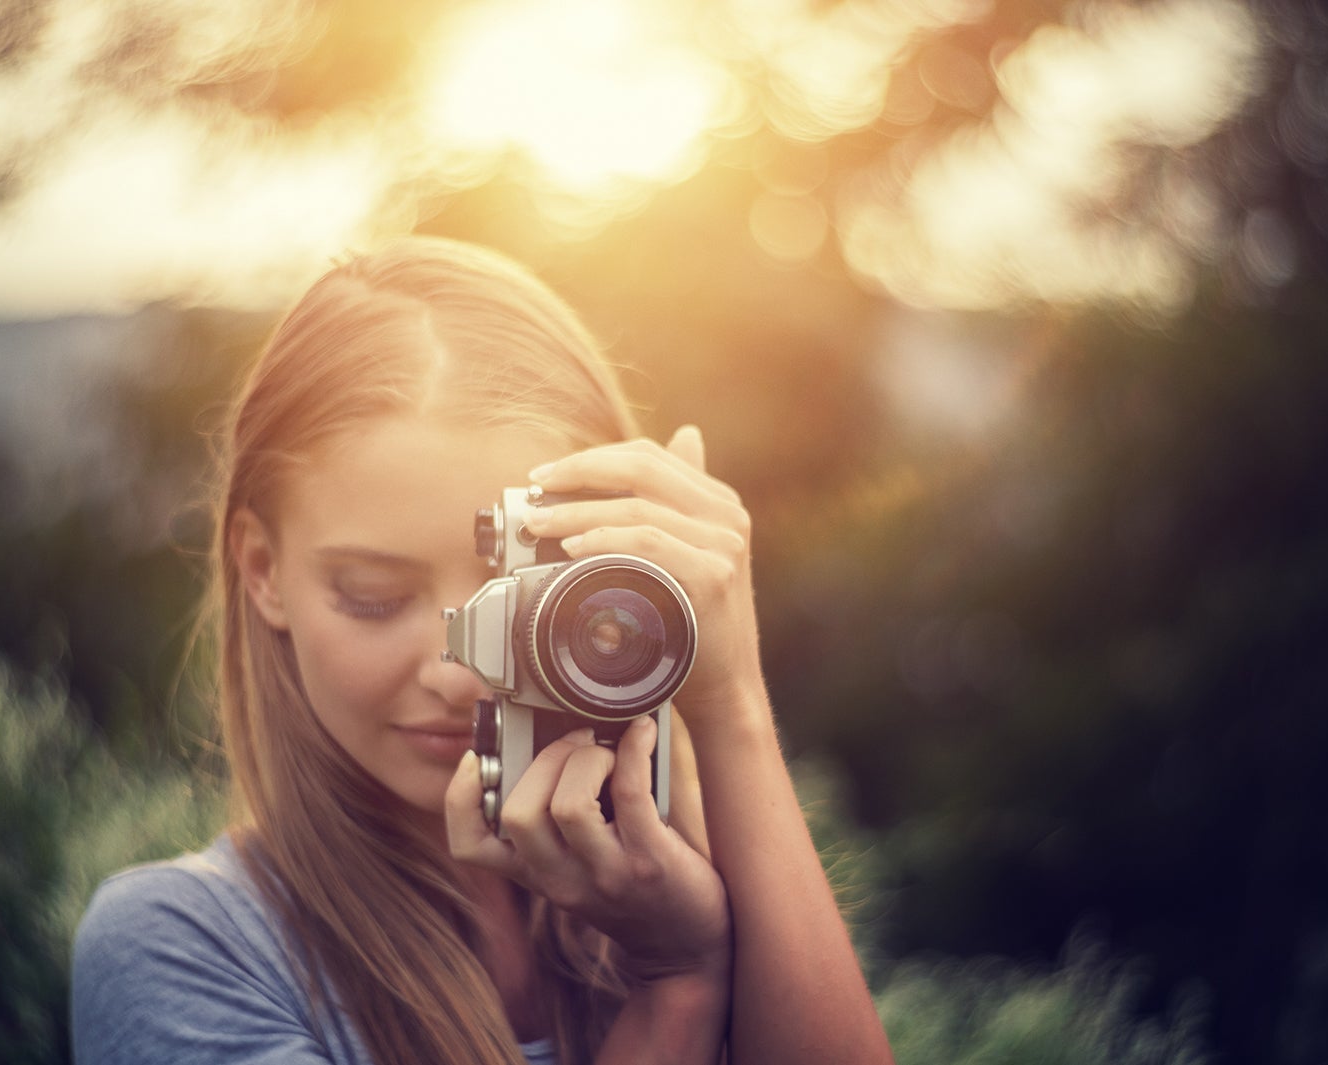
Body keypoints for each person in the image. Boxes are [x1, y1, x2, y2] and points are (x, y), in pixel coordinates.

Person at [70, 236, 894, 1064]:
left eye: (528, 597)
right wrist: (677, 986)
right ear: (262, 571)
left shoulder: (695, 884)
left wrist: (729, 698)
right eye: (374, 596)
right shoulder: (185, 947)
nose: (461, 672)